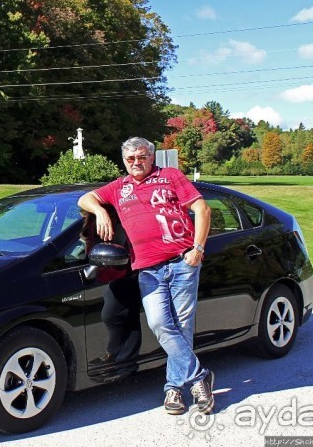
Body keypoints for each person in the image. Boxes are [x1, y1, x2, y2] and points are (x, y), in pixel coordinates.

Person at [77, 136, 214, 415]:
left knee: (182, 327)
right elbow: (85, 198)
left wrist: (197, 249)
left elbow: (202, 209)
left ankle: (174, 390)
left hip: (181, 262)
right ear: (124, 161)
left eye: (141, 157)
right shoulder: (119, 187)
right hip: (148, 269)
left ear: (151, 158)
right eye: (130, 159)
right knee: (161, 324)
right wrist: (101, 211)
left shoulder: (171, 176)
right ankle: (200, 377)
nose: (136, 163)